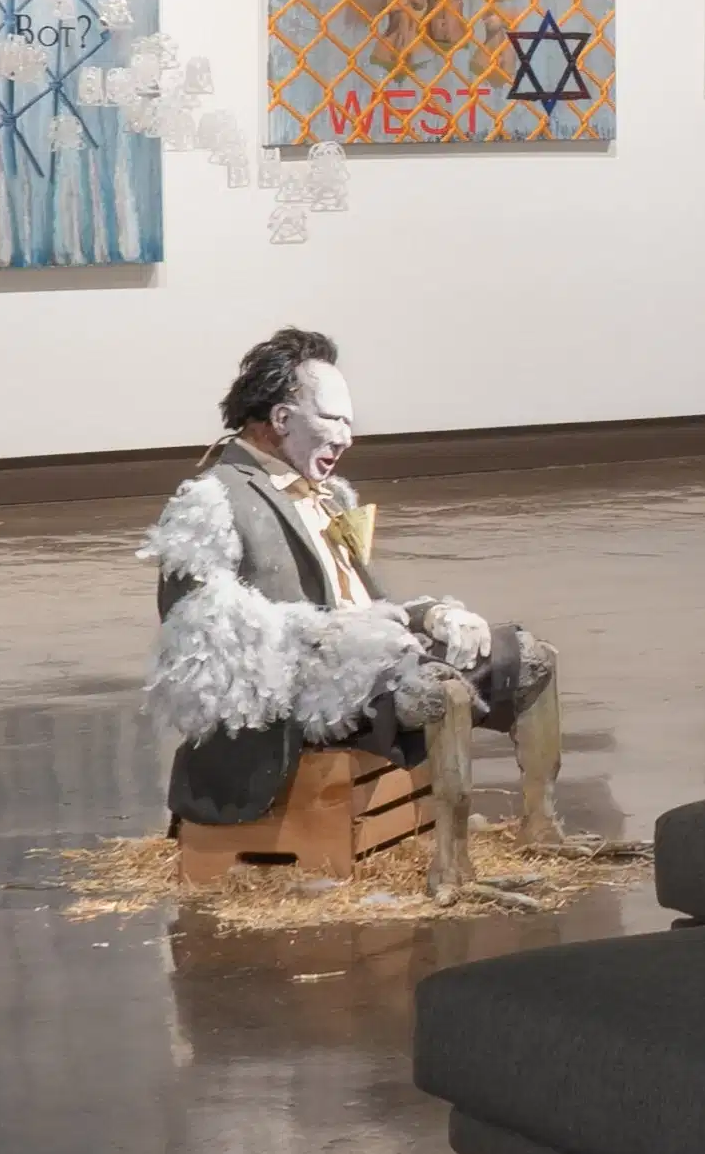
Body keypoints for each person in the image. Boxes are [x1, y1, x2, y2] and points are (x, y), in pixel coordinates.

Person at [144, 326, 535, 832]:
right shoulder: (212, 499)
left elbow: (367, 602)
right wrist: (329, 636)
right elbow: (199, 640)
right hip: (303, 696)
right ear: (281, 419)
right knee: (441, 691)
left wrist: (431, 614)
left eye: (349, 422)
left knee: (527, 659)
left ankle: (540, 824)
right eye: (331, 420)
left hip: (378, 662)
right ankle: (450, 858)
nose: (347, 438)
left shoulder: (332, 496)